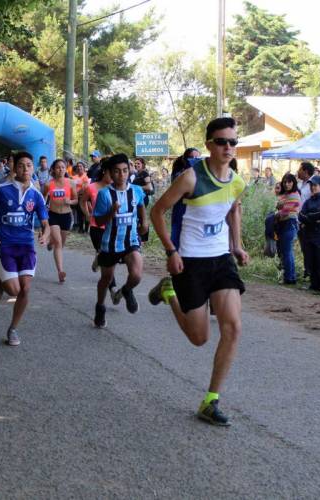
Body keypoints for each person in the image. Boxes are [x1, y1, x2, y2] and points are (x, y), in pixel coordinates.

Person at [148, 116, 248, 426]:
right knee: (199, 338)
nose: (228, 147)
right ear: (209, 145)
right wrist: (171, 250)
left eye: (233, 142)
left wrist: (238, 245)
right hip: (189, 261)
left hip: (220, 260)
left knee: (232, 326)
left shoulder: (236, 181)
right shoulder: (191, 178)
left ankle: (211, 400)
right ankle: (169, 293)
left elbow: (233, 208)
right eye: (221, 141)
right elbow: (158, 211)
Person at [0, 151, 50, 347]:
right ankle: (1, 278)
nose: (25, 169)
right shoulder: (2, 190)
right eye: (21, 165)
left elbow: (45, 222)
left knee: (25, 288)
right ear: (14, 168)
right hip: (7, 246)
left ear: (33, 168)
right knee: (13, 290)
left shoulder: (36, 195)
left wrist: (44, 235)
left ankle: (13, 329)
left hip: (27, 246)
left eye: (29, 165)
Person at [92, 154, 148, 327]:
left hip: (131, 241)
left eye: (125, 170)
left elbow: (141, 207)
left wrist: (144, 223)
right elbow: (99, 221)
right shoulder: (104, 195)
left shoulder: (136, 190)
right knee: (106, 279)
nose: (121, 175)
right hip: (110, 243)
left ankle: (125, 290)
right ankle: (100, 307)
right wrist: (111, 212)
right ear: (109, 173)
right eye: (116, 171)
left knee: (137, 275)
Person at [43, 159, 77, 283]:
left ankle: (51, 242)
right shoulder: (48, 184)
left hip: (66, 216)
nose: (61, 169)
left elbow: (76, 200)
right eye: (58, 167)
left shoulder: (71, 183)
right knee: (58, 243)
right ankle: (60, 271)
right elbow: (43, 198)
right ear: (53, 169)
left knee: (61, 244)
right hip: (53, 215)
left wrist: (70, 202)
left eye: (63, 167)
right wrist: (44, 208)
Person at [299, 175, 320, 295]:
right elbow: (301, 216)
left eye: (315, 185)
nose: (313, 188)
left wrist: (309, 217)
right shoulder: (308, 202)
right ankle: (315, 285)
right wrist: (313, 218)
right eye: (311, 186)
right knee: (310, 259)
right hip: (308, 233)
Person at [276, 172, 301, 285]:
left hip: (289, 223)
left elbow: (285, 212)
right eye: (285, 182)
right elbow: (279, 207)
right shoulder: (284, 195)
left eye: (289, 182)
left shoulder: (295, 195)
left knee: (287, 251)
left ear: (293, 183)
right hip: (282, 224)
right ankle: (289, 276)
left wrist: (276, 213)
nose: (287, 184)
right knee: (284, 251)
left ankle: (290, 277)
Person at [132, 157, 154, 242]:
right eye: (135, 163)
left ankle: (143, 239)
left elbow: (149, 187)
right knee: (139, 217)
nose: (136, 165)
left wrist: (136, 188)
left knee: (142, 217)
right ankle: (139, 237)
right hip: (137, 199)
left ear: (143, 165)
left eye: (138, 163)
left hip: (143, 198)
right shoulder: (137, 174)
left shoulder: (144, 173)